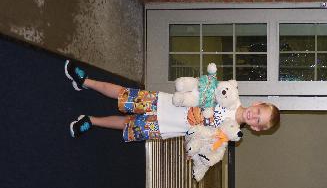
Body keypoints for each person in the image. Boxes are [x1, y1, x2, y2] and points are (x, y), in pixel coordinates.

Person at [64, 60, 280, 141]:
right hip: (165, 103)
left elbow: (204, 144)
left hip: (166, 127)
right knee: (124, 94)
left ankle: (90, 121)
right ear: (256, 104)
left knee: (127, 124)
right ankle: (86, 81)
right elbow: (204, 87)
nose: (254, 116)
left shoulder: (230, 133)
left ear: (256, 128)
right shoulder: (230, 94)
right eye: (258, 112)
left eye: (258, 121)